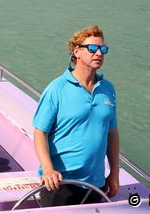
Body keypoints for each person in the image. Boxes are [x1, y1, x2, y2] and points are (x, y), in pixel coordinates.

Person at [32, 24, 119, 206]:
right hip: (61, 184)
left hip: (96, 184)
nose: (99, 53)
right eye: (92, 48)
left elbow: (112, 133)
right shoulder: (56, 89)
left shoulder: (108, 89)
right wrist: (48, 170)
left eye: (103, 49)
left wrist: (114, 173)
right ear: (76, 52)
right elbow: (40, 132)